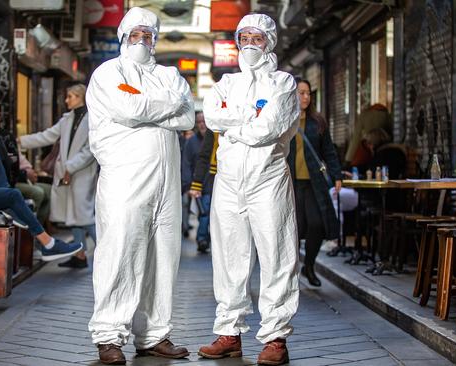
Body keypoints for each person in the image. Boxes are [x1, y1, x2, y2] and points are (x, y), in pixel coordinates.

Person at [85, 7, 194, 364]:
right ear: (123, 36)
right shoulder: (107, 73)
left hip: (166, 184)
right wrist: (164, 104)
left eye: (149, 35)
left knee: (163, 259)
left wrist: (150, 108)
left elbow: (187, 115)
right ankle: (109, 335)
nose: (142, 40)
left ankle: (154, 335)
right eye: (136, 34)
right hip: (125, 178)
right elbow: (130, 108)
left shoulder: (169, 73)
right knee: (120, 254)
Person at [198, 14, 300, 366]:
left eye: (258, 37)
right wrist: (250, 117)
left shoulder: (284, 83)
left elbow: (268, 129)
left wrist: (235, 124)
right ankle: (230, 332)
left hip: (268, 177)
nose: (251, 44)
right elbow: (212, 116)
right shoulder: (225, 82)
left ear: (270, 41)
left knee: (277, 257)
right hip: (227, 179)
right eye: (245, 37)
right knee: (228, 258)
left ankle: (275, 338)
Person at [19, 84, 98, 269]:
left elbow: (89, 151)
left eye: (71, 96)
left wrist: (70, 167)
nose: (66, 100)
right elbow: (46, 136)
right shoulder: (66, 119)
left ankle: (110, 255)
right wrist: (22, 141)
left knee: (84, 217)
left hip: (81, 174)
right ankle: (79, 255)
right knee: (75, 217)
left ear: (81, 97)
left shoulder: (94, 120)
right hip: (67, 174)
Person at [286, 79, 343, 287]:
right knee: (295, 228)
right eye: (301, 93)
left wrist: (337, 175)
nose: (305, 97)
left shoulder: (317, 122)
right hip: (289, 184)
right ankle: (290, 273)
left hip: (313, 183)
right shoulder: (284, 121)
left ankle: (309, 265)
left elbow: (329, 150)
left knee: (317, 224)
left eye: (308, 93)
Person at [0, 94, 52, 225]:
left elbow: (13, 168)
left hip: (6, 182)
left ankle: (33, 232)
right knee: (38, 193)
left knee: (47, 191)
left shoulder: (6, 136)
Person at [182, 112, 212, 252]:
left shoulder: (214, 138)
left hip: (215, 182)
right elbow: (186, 164)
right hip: (200, 185)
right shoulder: (191, 142)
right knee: (204, 212)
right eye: (199, 121)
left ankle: (207, 237)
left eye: (204, 121)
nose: (202, 124)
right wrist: (189, 185)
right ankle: (202, 239)